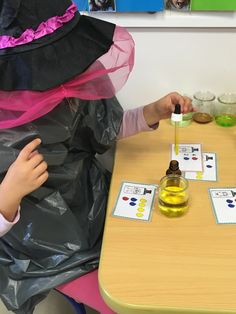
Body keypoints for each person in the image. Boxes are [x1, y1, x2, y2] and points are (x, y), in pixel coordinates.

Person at [0, 0, 194, 312]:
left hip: (98, 211)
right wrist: (7, 195)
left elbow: (106, 126)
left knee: (170, 264)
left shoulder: (70, 85)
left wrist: (152, 112)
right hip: (47, 257)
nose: (53, 77)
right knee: (133, 301)